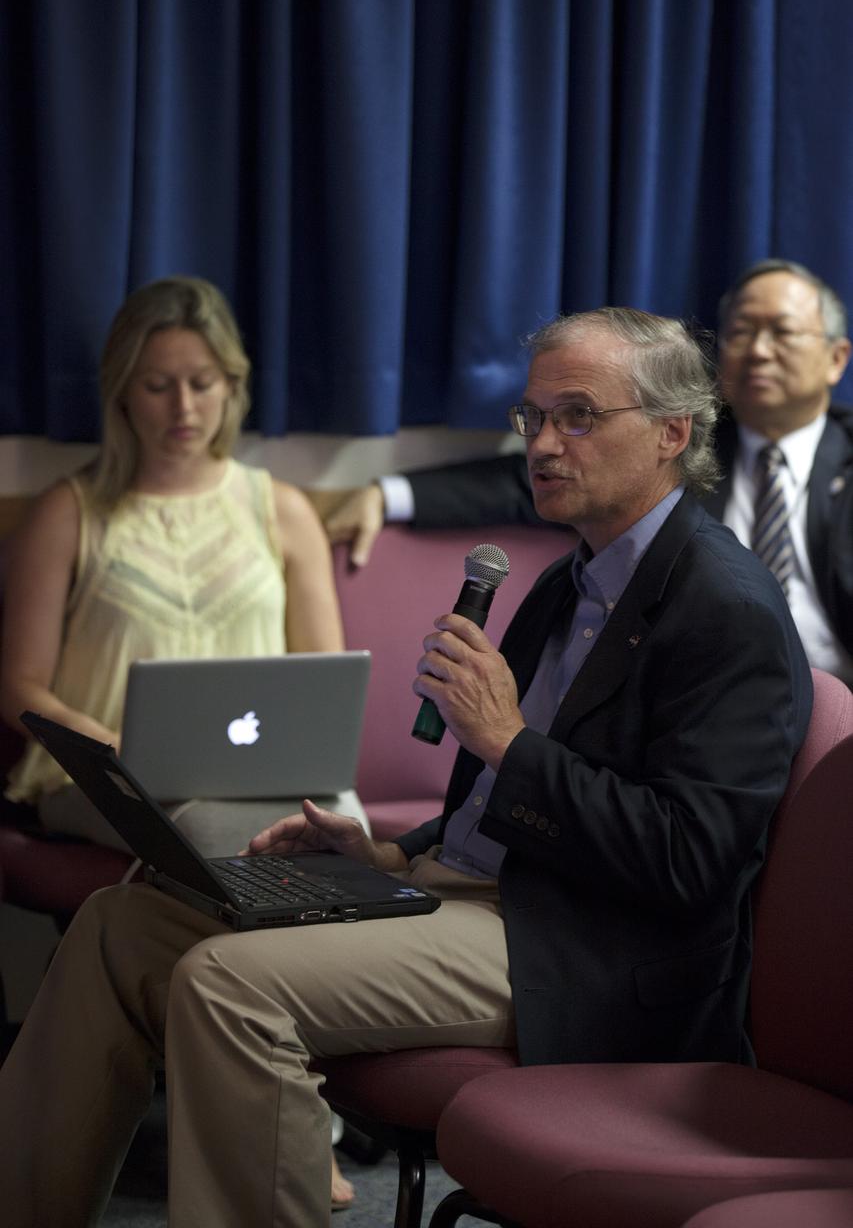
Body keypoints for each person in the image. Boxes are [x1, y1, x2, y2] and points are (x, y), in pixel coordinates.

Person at [0, 307, 812, 1227]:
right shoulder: (567, 579)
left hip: (578, 944)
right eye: (533, 417)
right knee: (122, 924)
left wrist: (507, 743)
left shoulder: (722, 607)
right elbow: (488, 813)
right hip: (467, 893)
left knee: (229, 982)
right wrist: (382, 854)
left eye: (577, 416)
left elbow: (689, 861)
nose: (544, 443)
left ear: (672, 433)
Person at [0, 274, 361, 1211]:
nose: (184, 406)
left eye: (203, 382)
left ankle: (279, 1103)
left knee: (333, 831)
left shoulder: (276, 507)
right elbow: (21, 689)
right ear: (123, 390)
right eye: (159, 383)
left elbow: (322, 674)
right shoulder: (70, 509)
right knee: (217, 840)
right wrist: (120, 740)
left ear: (232, 388)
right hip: (97, 773)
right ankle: (299, 1124)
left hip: (261, 778)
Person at [326, 259, 853, 685]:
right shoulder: (685, 440)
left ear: (836, 358)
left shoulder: (697, 464)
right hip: (697, 683)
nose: (758, 351)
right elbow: (535, 473)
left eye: (782, 333)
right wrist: (386, 493)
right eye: (741, 332)